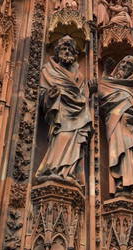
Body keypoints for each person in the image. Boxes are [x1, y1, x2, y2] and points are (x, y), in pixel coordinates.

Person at [35, 35, 92, 189]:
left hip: (78, 115)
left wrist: (89, 92)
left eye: (70, 49)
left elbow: (82, 97)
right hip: (60, 115)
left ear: (74, 55)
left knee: (74, 142)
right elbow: (40, 96)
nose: (67, 52)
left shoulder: (79, 76)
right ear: (57, 51)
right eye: (64, 48)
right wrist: (50, 95)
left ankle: (68, 172)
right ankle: (55, 169)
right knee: (62, 137)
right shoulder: (48, 70)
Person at [99, 56, 133, 197]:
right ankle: (121, 183)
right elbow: (103, 98)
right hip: (116, 123)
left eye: (129, 65)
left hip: (131, 129)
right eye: (123, 62)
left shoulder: (132, 90)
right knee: (120, 152)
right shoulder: (106, 82)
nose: (124, 65)